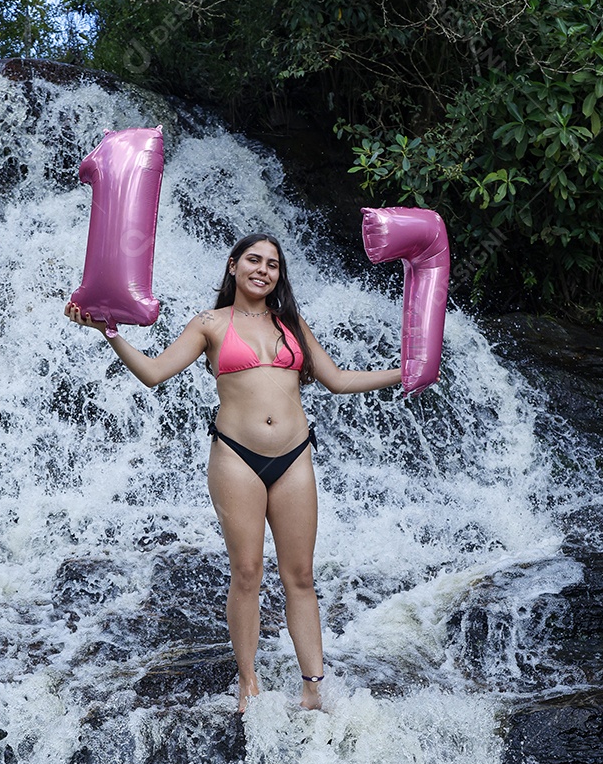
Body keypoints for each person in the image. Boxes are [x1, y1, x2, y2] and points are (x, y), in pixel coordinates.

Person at [65, 233, 401, 712]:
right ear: (233, 266)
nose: (263, 270)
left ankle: (314, 688)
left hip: (295, 457)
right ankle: (248, 683)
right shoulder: (210, 324)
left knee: (300, 576)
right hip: (236, 456)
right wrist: (110, 331)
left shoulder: (291, 324)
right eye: (254, 260)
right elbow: (154, 373)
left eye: (273, 264)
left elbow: (339, 380)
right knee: (247, 572)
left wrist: (405, 373)